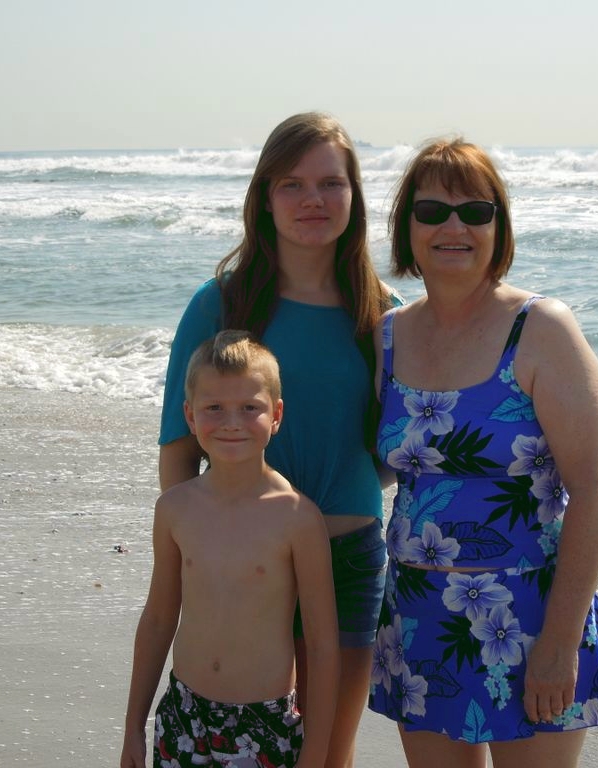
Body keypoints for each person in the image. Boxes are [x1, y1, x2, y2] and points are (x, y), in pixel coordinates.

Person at [157, 112, 400, 767]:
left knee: (324, 755)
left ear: (354, 195)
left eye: (330, 183)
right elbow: (179, 445)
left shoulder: (384, 316)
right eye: (291, 184)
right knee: (242, 746)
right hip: (239, 559)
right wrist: (197, 552)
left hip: (349, 560)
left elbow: (392, 452)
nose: (312, 200)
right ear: (264, 198)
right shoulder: (222, 304)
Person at [368, 138, 598, 768]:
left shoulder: (541, 329)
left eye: (475, 212)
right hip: (420, 622)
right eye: (432, 212)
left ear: (498, 227)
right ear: (407, 228)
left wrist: (560, 642)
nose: (454, 226)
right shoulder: (388, 336)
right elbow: (377, 467)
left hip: (532, 617)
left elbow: (596, 486)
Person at [121, 330, 339, 768]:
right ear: (189, 414)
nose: (232, 422)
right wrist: (133, 728)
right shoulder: (175, 508)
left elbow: (321, 643)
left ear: (276, 415)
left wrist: (316, 750)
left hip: (265, 723)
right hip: (183, 713)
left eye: (249, 408)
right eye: (214, 408)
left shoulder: (297, 517)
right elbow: (160, 618)